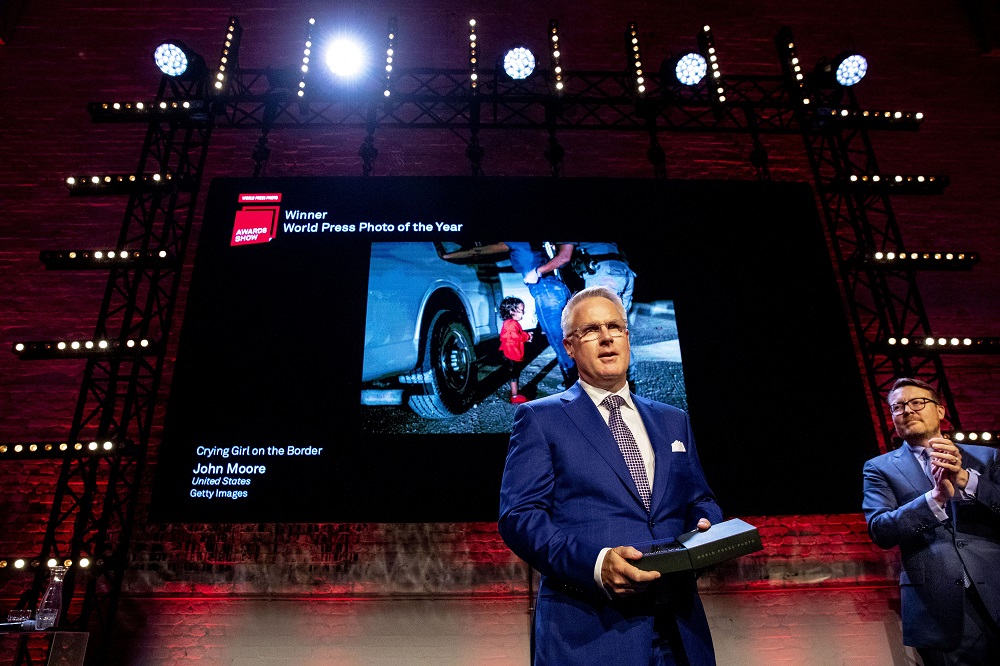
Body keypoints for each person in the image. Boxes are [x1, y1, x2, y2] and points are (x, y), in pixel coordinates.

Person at [498, 285, 722, 665]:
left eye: (614, 327)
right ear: (569, 347)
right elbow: (520, 517)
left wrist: (706, 527)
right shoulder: (540, 418)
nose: (606, 338)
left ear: (627, 337)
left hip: (681, 632)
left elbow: (700, 499)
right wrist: (597, 564)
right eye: (590, 330)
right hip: (590, 634)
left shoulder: (673, 420)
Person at [863, 377, 1000, 664]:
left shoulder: (987, 457)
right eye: (897, 407)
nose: (907, 410)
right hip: (938, 608)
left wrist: (966, 479)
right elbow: (880, 529)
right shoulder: (880, 468)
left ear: (940, 410)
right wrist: (934, 498)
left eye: (917, 402)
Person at [504, 242, 577, 386]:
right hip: (558, 287)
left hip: (545, 291)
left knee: (559, 343)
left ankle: (575, 385)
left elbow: (480, 251)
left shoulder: (519, 244)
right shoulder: (540, 248)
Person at [498, 296, 533, 404]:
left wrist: (525, 336)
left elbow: (515, 336)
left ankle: (515, 393)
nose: (523, 313)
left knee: (514, 374)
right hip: (511, 354)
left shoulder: (510, 323)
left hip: (510, 352)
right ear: (512, 311)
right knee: (514, 375)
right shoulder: (511, 324)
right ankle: (514, 396)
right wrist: (527, 336)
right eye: (521, 310)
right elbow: (515, 336)